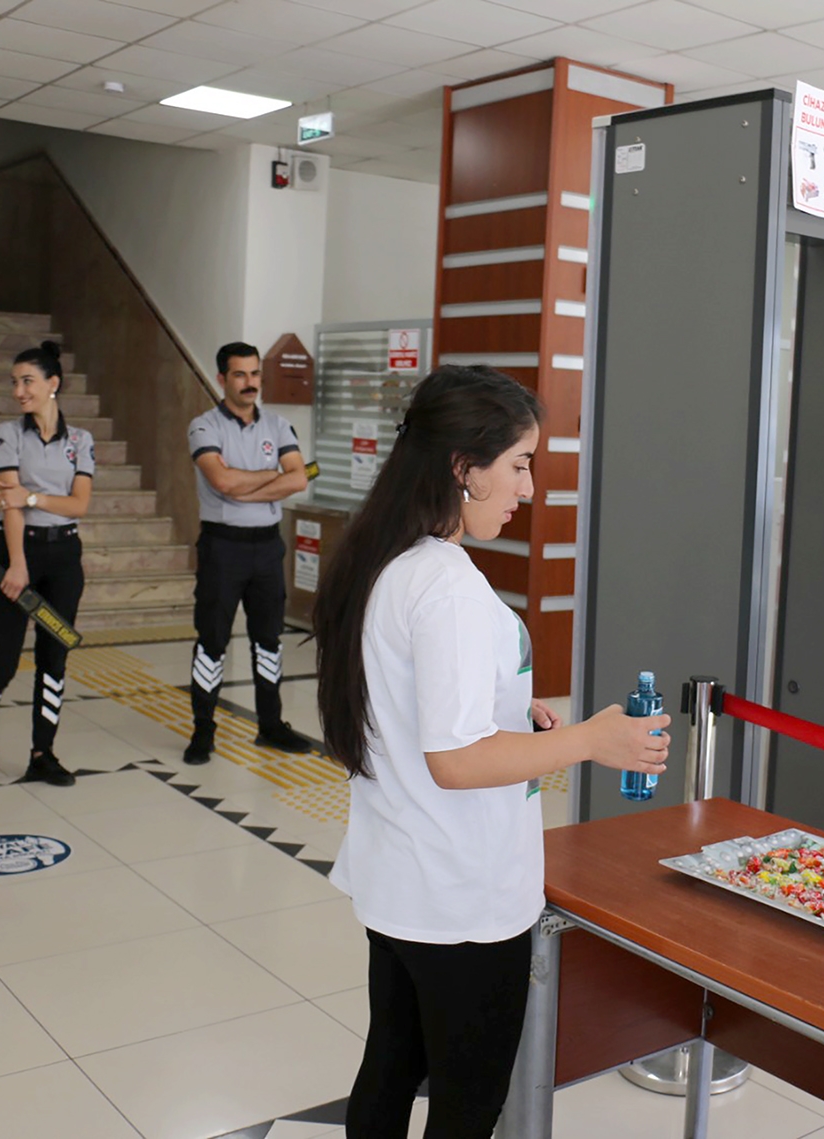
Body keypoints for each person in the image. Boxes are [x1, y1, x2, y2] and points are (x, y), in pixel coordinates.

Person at [312, 365, 670, 1138]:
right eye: (518, 463)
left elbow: (416, 710)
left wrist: (513, 713)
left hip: (402, 877)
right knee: (467, 1104)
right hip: (460, 897)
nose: (528, 488)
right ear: (462, 467)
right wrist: (590, 739)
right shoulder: (446, 585)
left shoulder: (390, 561)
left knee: (391, 1064)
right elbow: (455, 759)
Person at [0, 341, 93, 792]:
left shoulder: (81, 441)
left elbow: (79, 505)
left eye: (27, 381)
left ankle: (42, 756)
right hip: (17, 556)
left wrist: (32, 496)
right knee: (1, 663)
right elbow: (7, 505)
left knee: (54, 659)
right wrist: (17, 564)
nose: (18, 391)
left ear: (53, 384)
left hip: (64, 559)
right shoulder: (6, 434)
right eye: (14, 383)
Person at [183, 341, 311, 763]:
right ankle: (203, 730)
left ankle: (270, 725)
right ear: (222, 379)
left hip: (266, 546)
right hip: (223, 546)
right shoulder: (204, 427)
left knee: (268, 639)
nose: (250, 382)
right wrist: (270, 477)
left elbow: (298, 479)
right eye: (240, 374)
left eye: (255, 373)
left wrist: (246, 486)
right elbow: (222, 482)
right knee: (212, 640)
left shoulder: (278, 425)